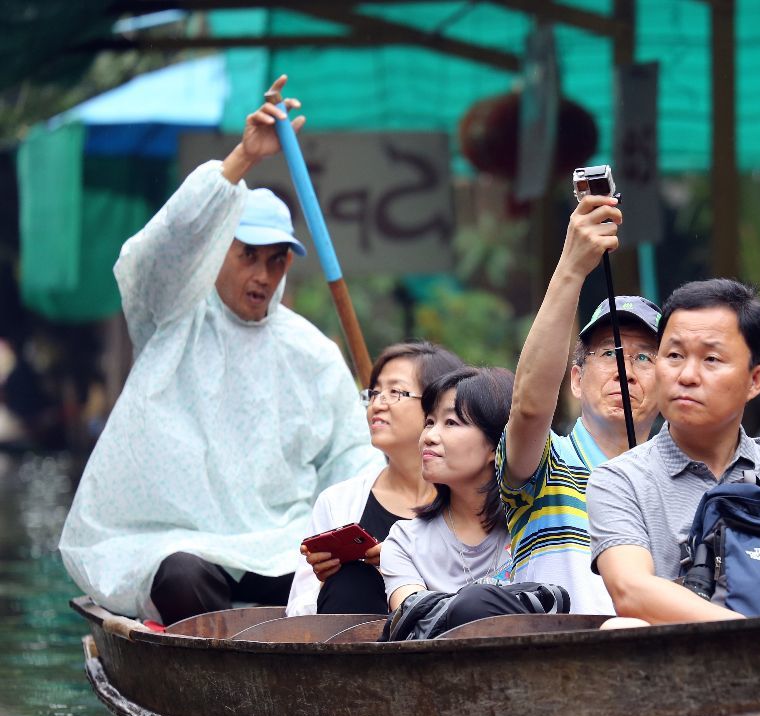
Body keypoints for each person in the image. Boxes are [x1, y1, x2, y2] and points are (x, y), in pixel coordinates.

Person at [58, 77, 380, 622]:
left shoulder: (311, 352)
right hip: (180, 542)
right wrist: (242, 159)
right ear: (218, 253)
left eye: (276, 260)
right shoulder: (174, 314)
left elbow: (350, 459)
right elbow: (164, 247)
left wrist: (361, 529)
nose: (261, 275)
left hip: (278, 544)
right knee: (184, 579)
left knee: (342, 582)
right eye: (247, 256)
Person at [587, 278, 760, 625]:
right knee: (622, 627)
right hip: (675, 669)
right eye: (674, 355)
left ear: (755, 381)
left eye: (711, 359)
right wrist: (750, 638)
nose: (687, 375)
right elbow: (632, 590)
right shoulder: (618, 480)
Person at [497, 193, 662, 614]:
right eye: (609, 353)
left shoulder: (684, 478)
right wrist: (572, 266)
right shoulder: (545, 467)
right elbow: (529, 407)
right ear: (575, 379)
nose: (626, 370)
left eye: (645, 356)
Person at [380, 367, 569, 635]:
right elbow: (412, 624)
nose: (429, 437)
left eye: (451, 423)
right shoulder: (404, 540)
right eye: (430, 422)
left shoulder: (540, 526)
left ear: (496, 446)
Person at [286, 341, 464, 616]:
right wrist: (326, 585)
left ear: (438, 408)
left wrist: (400, 567)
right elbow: (295, 613)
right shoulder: (338, 502)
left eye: (395, 392)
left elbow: (482, 597)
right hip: (350, 650)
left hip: (437, 651)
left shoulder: (469, 501)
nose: (377, 404)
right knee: (352, 580)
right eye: (375, 392)